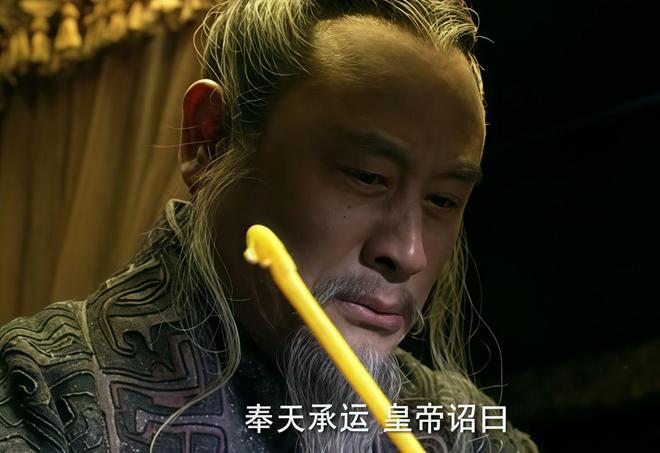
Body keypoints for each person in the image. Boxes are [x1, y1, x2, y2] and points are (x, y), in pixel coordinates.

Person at [0, 1, 539, 451]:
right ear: (210, 139)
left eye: (443, 200)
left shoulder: (470, 434)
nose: (408, 253)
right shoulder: (39, 396)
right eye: (366, 175)